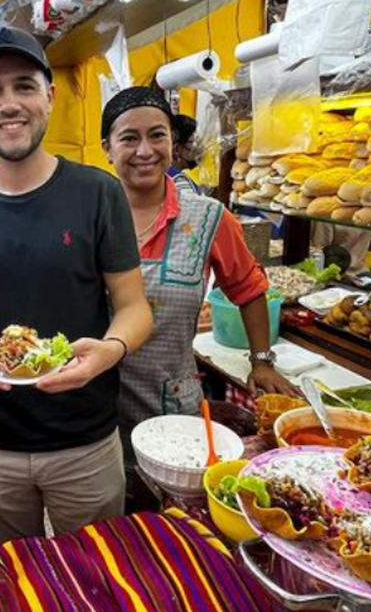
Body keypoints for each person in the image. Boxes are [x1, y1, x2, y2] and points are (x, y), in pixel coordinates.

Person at [0, 27, 153, 547]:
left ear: (50, 95)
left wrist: (110, 350)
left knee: (98, 574)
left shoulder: (98, 192)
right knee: (13, 578)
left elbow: (135, 309)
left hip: (85, 440)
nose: (9, 103)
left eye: (24, 85)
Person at [100, 87, 300, 502]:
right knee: (113, 516)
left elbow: (248, 287)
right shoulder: (90, 213)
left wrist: (261, 361)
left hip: (171, 404)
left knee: (174, 520)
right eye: (129, 138)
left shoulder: (208, 218)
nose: (145, 150)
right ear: (107, 148)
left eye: (157, 135)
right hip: (98, 403)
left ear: (173, 144)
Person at [168, 113, 200, 193]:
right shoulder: (178, 181)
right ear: (176, 148)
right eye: (191, 142)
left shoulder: (166, 175)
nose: (195, 148)